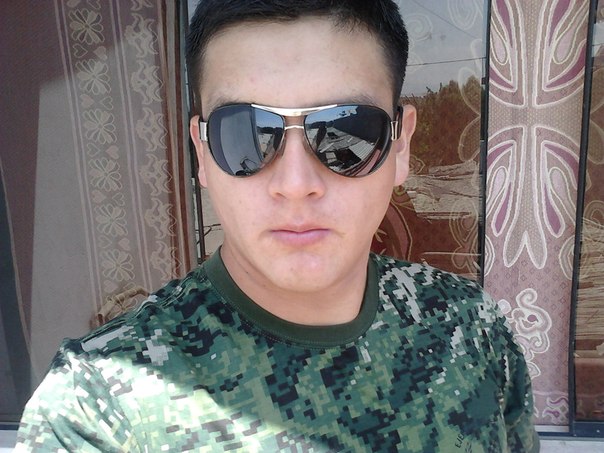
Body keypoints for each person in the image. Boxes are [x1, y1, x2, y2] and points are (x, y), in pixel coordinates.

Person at [15, 0, 540, 451]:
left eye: (346, 132)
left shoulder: (471, 329)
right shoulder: (99, 409)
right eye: (245, 134)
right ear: (203, 153)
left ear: (399, 146)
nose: (295, 184)